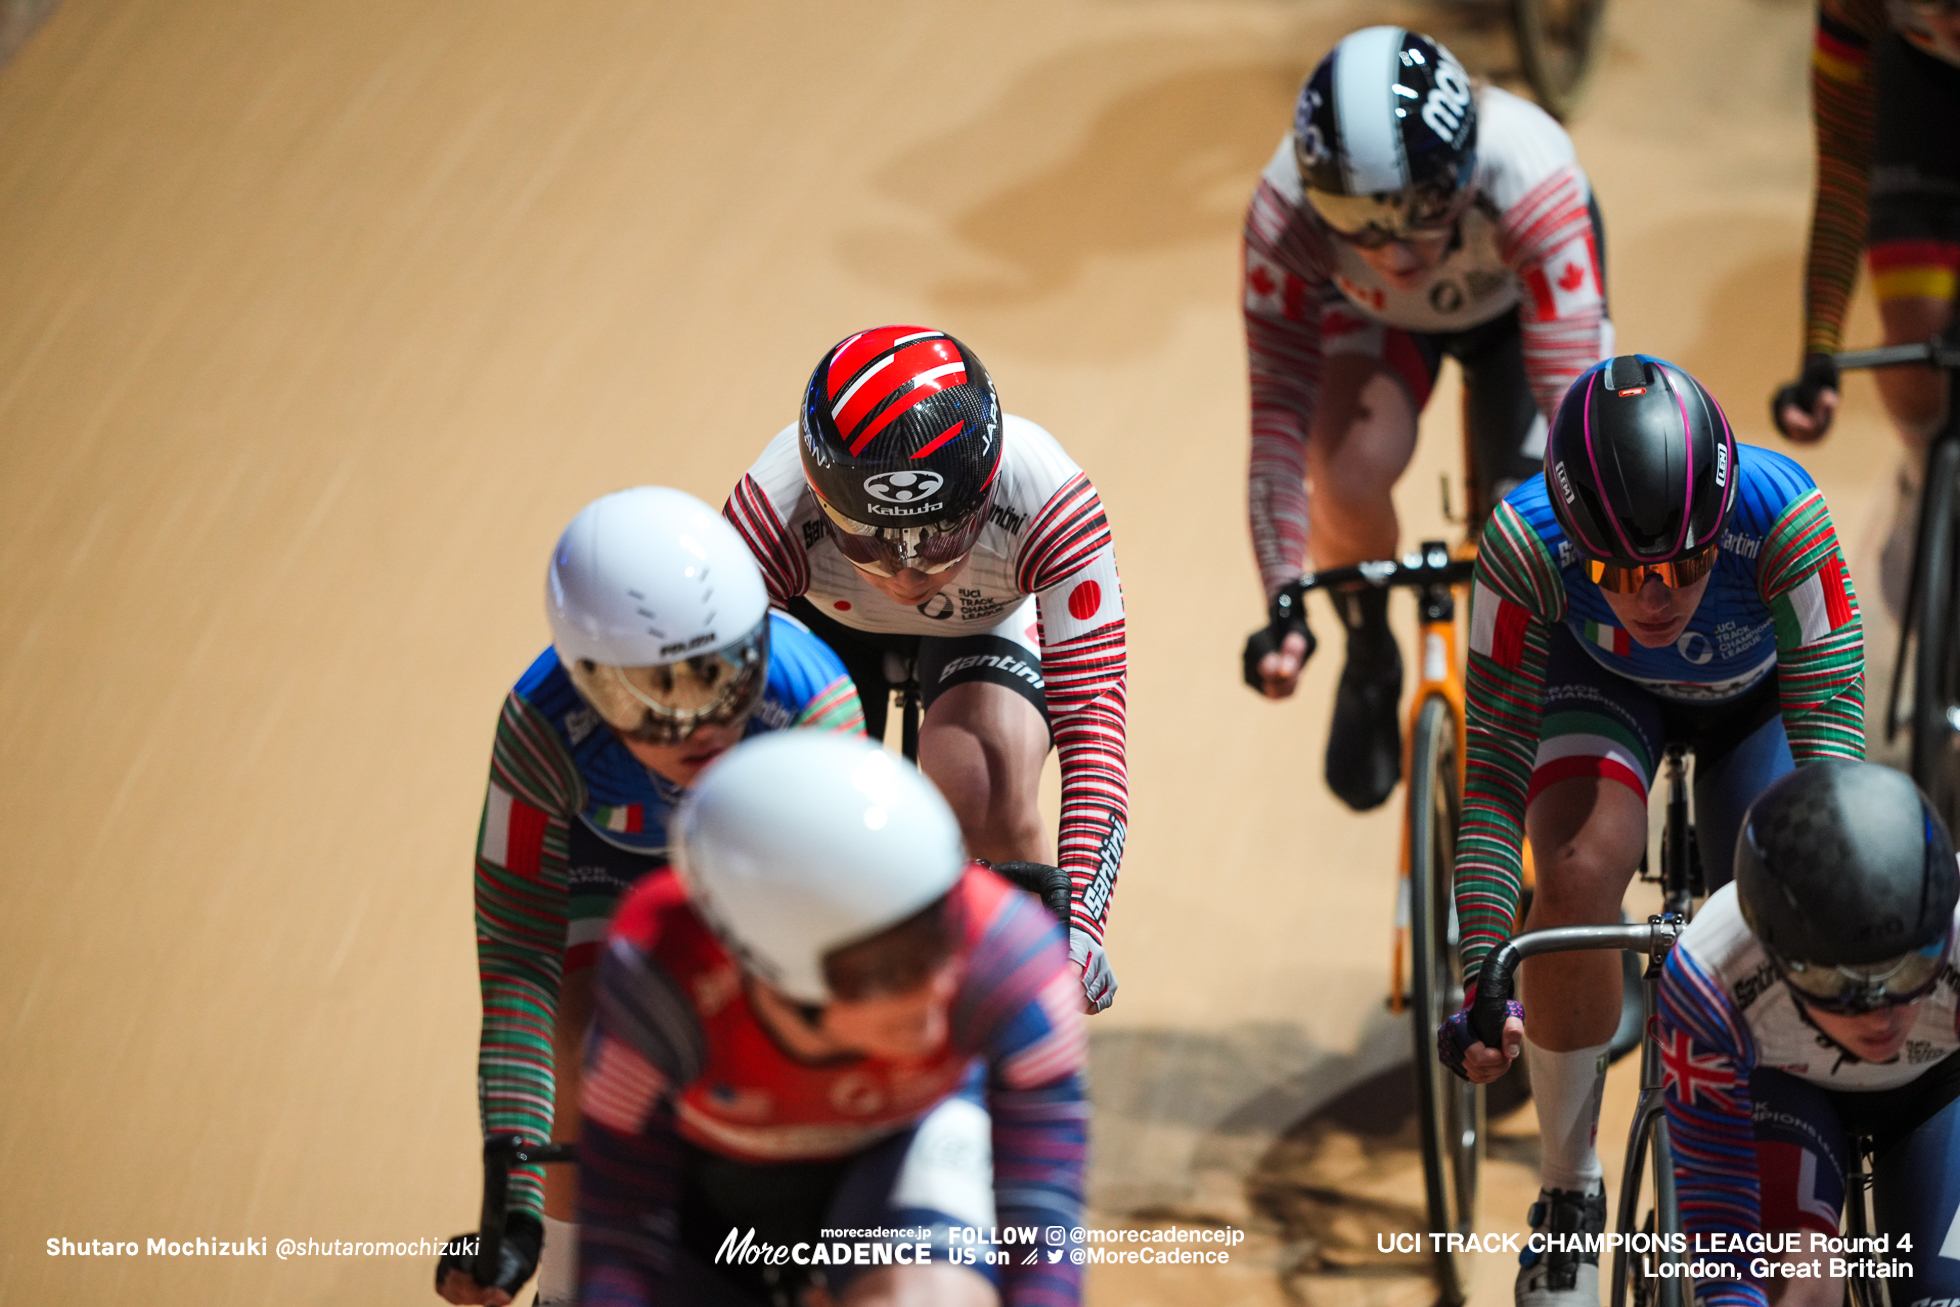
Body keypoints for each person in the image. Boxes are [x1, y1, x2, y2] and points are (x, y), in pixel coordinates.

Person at [1436, 357, 1866, 1306]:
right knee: (1580, 867)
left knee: (1788, 884)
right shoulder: (1521, 542)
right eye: (1618, 572)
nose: (1655, 597)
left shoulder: (1787, 518)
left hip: (1755, 706)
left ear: (1723, 529)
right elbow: (1496, 776)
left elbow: (1836, 784)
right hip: (1603, 690)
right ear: (1571, 541)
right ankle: (1566, 1184)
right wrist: (1483, 970)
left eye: (1688, 564)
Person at [436, 488, 863, 1307]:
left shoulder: (816, 701)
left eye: (722, 678)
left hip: (759, 866)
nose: (700, 726)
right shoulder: (539, 727)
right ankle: (563, 1276)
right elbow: (521, 974)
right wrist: (514, 1195)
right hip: (613, 867)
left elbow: (836, 943)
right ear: (584, 684)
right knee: (577, 1028)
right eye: (651, 701)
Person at [1240, 25, 1615, 812]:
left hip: (1520, 314)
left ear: (1468, 167)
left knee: (1534, 513)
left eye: (1427, 208)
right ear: (1316, 197)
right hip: (1385, 324)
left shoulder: (1530, 174)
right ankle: (1370, 649)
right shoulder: (1284, 219)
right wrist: (1284, 598)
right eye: (1360, 219)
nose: (1399, 248)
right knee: (1343, 471)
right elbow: (1277, 422)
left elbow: (1576, 417)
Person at [576, 731, 1087, 1307]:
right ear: (773, 971)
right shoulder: (658, 975)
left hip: (905, 1148)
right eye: (890, 969)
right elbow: (621, 1224)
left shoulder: (1009, 955)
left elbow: (1043, 1207)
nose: (939, 986)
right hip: (711, 1191)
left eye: (941, 930)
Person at [724, 325, 1128, 1013]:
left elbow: (1093, 725)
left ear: (987, 490)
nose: (905, 571)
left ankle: (1025, 1020)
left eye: (938, 537)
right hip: (824, 622)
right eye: (868, 539)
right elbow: (716, 732)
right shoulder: (768, 513)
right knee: (814, 814)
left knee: (979, 781)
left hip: (985, 618)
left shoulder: (1049, 502)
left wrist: (1081, 924)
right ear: (820, 498)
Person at [1657, 761, 1960, 1306]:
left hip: (1937, 1088)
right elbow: (1721, 1228)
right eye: (1834, 981)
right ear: (1772, 952)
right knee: (1796, 1291)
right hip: (1785, 1085)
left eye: (1910, 972)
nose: (1880, 1017)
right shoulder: (1712, 974)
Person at [1773, 0, 1960, 615]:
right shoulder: (1856, 5)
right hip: (1917, 101)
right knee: (1915, 343)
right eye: (1941, 9)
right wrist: (1819, 349)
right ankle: (1922, 474)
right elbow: (1845, 170)